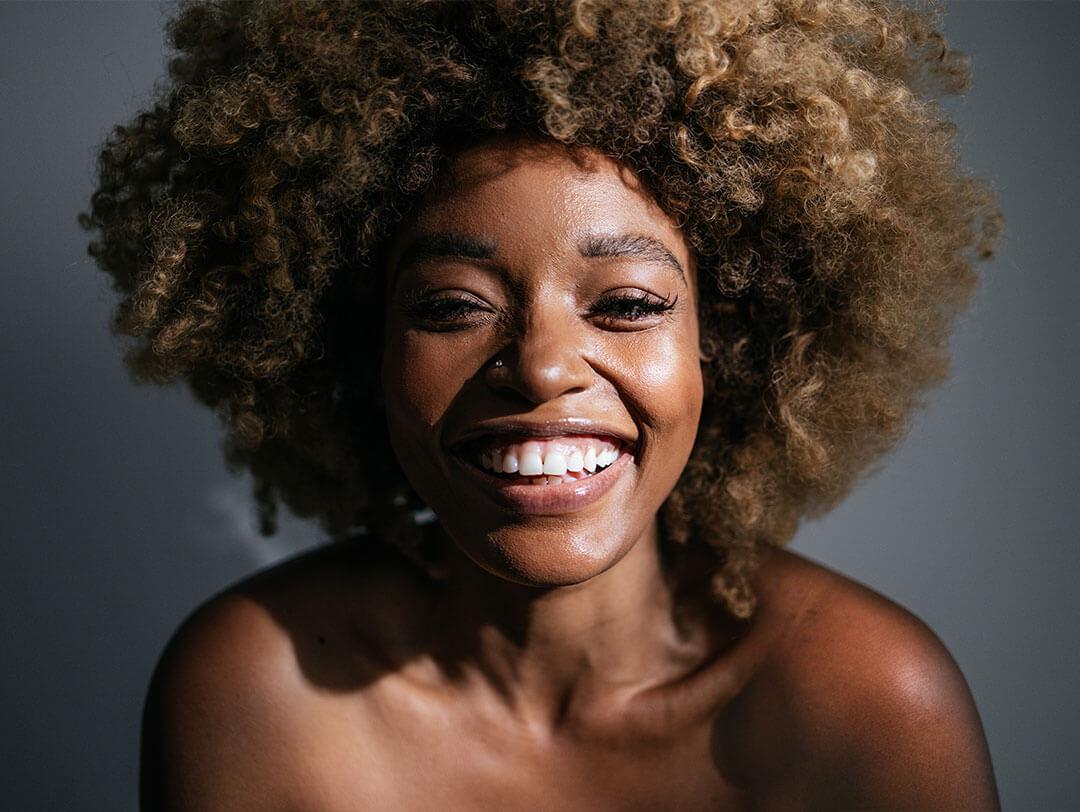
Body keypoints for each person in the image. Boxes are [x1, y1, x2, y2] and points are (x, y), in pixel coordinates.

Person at [83, 0, 1002, 807]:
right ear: (363, 349)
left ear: (723, 344)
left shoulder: (868, 706)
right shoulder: (254, 694)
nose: (542, 367)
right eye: (453, 306)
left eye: (628, 305)